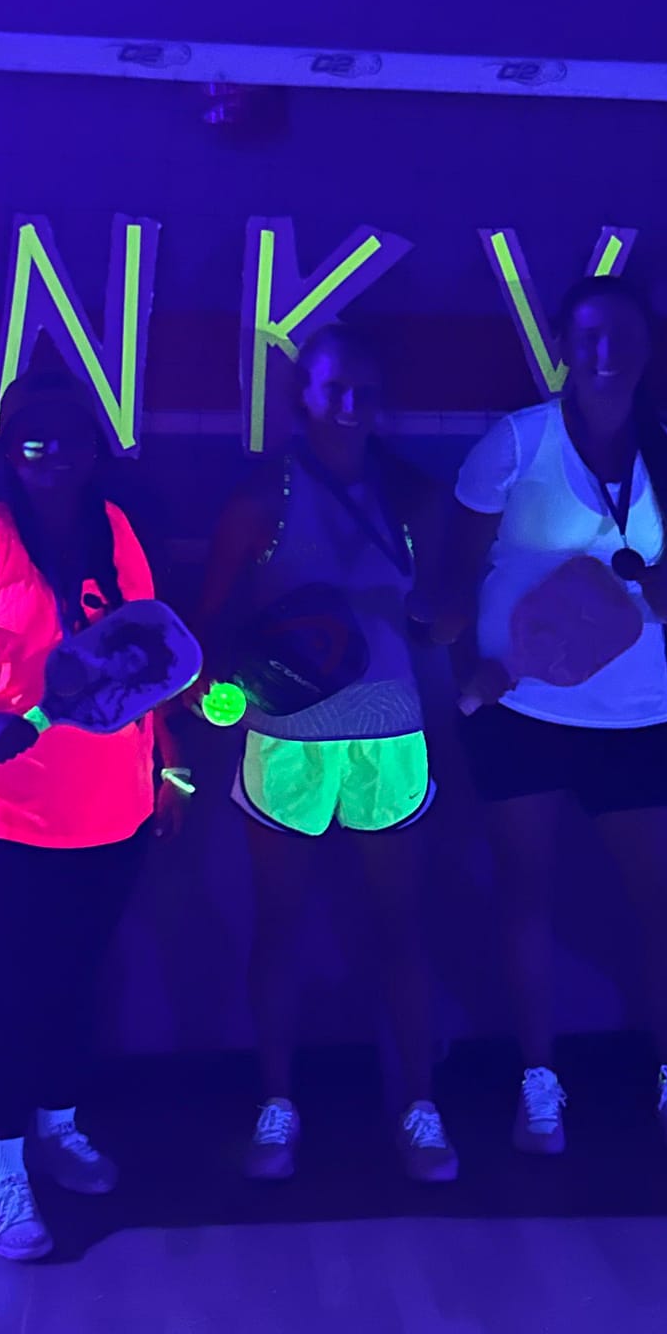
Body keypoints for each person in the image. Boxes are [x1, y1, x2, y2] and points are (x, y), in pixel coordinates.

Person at [0, 371, 187, 1260]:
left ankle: (58, 1126)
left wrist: (171, 763)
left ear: (95, 447)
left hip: (113, 801)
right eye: (35, 435)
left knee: (77, 976)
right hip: (0, 810)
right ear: (7, 448)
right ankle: (5, 1170)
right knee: (15, 988)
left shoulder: (119, 531)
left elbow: (148, 658)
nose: (54, 450)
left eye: (70, 433)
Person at [434, 275, 667, 1154]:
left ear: (647, 346)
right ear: (562, 344)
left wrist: (637, 588)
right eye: (589, 335)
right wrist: (473, 674)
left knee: (660, 898)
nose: (606, 351)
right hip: (517, 709)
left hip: (633, 715)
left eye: (623, 334)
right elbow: (452, 578)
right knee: (525, 891)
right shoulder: (515, 443)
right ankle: (539, 1081)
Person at [196, 326, 454, 1183]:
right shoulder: (260, 496)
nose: (349, 404)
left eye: (364, 389)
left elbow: (441, 616)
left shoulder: (413, 494)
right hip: (288, 734)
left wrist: (445, 620)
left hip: (390, 728)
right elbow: (210, 620)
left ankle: (420, 1104)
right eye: (333, 387)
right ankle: (276, 1103)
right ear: (303, 394)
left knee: (401, 923)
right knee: (279, 922)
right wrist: (219, 690)